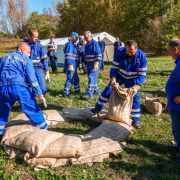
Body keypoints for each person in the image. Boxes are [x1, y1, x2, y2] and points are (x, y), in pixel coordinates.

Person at [91, 40, 147, 129]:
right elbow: (114, 67)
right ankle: (98, 107)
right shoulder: (120, 52)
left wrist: (137, 86)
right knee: (109, 89)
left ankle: (136, 120)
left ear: (136, 48)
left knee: (135, 97)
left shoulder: (142, 56)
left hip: (132, 79)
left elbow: (142, 73)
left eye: (131, 52)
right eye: (127, 51)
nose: (129, 54)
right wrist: (113, 79)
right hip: (120, 76)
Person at [0, 42, 49, 139]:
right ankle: (46, 132)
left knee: (1, 113)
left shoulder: (3, 57)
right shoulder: (26, 59)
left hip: (2, 88)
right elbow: (32, 80)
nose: (30, 54)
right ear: (22, 50)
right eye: (29, 52)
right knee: (33, 109)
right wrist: (39, 95)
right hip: (19, 87)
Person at [166, 38, 180, 163]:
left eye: (169, 51)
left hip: (178, 106)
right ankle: (178, 147)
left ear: (176, 49)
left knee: (178, 130)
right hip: (175, 104)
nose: (169, 54)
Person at [23, 28, 50, 96]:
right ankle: (32, 103)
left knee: (43, 88)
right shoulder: (23, 45)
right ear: (29, 35)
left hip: (38, 70)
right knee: (30, 89)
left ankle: (41, 98)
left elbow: (44, 59)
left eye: (37, 36)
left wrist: (47, 73)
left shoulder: (39, 46)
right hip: (27, 70)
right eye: (34, 37)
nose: (36, 38)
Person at [81, 31, 102, 100]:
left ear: (90, 36)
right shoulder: (87, 45)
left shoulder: (94, 44)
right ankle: (96, 91)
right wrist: (86, 64)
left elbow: (99, 54)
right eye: (84, 38)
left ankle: (89, 94)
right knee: (93, 79)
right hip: (89, 65)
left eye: (86, 38)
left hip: (94, 65)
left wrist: (96, 63)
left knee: (91, 78)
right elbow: (86, 56)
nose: (85, 39)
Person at [62, 32, 80, 97]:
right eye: (76, 38)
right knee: (70, 79)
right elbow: (68, 56)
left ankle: (77, 91)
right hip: (71, 65)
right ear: (72, 37)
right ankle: (65, 94)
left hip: (74, 65)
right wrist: (70, 65)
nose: (77, 40)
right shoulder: (70, 44)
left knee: (76, 79)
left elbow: (75, 55)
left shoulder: (73, 45)